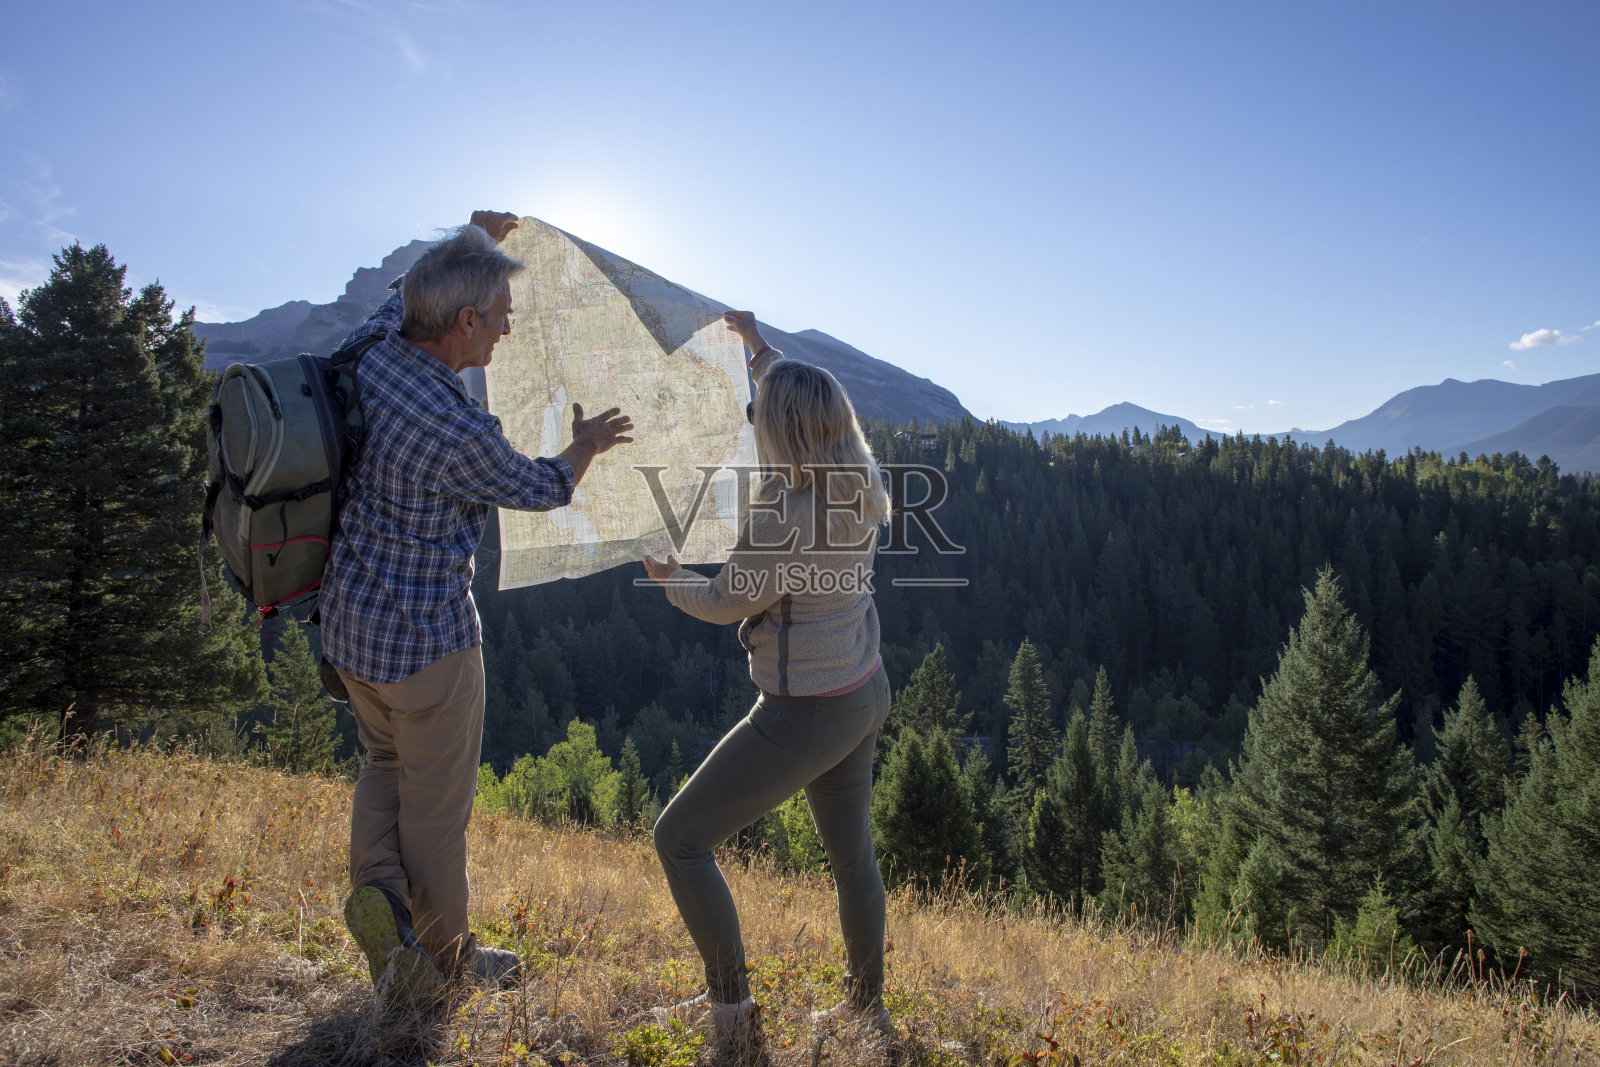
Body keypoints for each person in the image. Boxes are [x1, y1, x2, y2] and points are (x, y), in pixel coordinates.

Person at [322, 211, 634, 1001]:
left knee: (381, 764)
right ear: (464, 321)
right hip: (429, 646)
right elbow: (541, 487)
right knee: (438, 814)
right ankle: (445, 961)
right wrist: (587, 443)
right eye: (499, 316)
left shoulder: (379, 351)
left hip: (351, 629)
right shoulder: (456, 424)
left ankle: (380, 904)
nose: (506, 329)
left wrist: (468, 239)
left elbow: (396, 299)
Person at [642, 310, 894, 1050]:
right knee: (854, 860)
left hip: (804, 712)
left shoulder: (784, 513)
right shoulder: (860, 478)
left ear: (781, 430)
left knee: (680, 840)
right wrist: (759, 351)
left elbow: (724, 603)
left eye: (757, 416)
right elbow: (797, 398)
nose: (751, 422)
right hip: (861, 689)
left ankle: (731, 1013)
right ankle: (865, 1009)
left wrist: (668, 576)